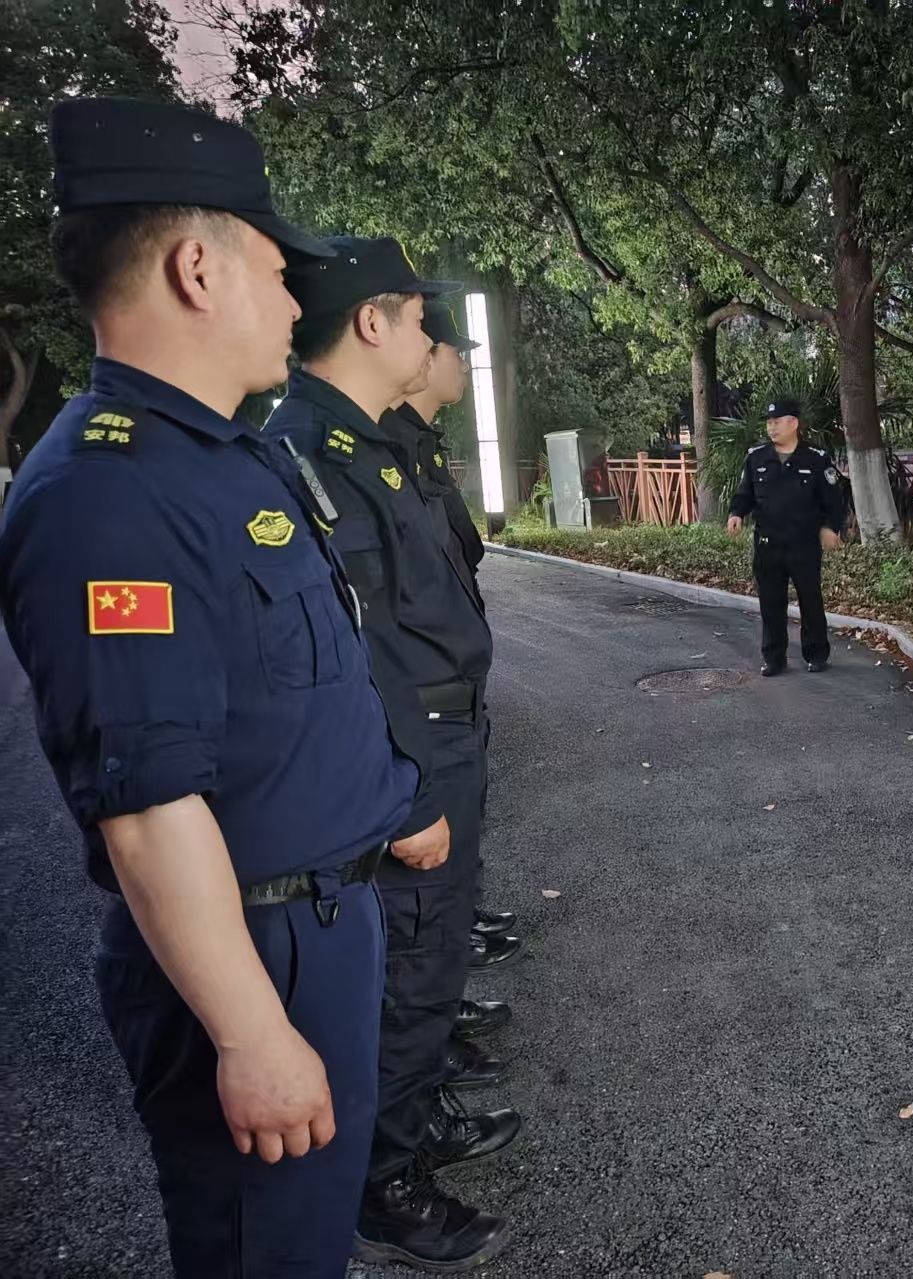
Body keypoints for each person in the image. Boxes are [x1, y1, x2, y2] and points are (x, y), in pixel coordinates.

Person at [0, 97, 426, 1276]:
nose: (294, 305)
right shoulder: (108, 495)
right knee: (262, 1249)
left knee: (304, 1238)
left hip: (315, 924)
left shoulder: (216, 456)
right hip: (254, 951)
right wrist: (250, 1032)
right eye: (279, 274)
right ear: (198, 267)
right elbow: (146, 805)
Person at [268, 239, 515, 1272]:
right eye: (416, 316)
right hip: (412, 760)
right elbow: (356, 649)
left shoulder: (366, 443)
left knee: (430, 958)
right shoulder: (312, 452)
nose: (428, 337)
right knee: (412, 972)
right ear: (371, 322)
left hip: (442, 738)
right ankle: (385, 1182)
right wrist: (406, 794)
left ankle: (408, 1133)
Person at [385, 299, 515, 1042]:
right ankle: (422, 1051)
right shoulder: (376, 452)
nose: (462, 363)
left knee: (449, 873)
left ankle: (443, 986)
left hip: (453, 690)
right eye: (450, 349)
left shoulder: (418, 447)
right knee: (419, 897)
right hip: (422, 703)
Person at [725, 397, 847, 675]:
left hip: (803, 544)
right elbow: (745, 493)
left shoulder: (816, 459)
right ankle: (774, 658)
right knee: (770, 602)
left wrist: (829, 528)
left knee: (810, 600)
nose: (771, 428)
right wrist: (736, 514)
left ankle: (816, 654)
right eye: (769, 423)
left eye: (777, 422)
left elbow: (833, 499)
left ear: (793, 423)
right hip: (768, 543)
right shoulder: (756, 457)